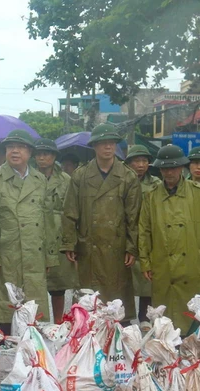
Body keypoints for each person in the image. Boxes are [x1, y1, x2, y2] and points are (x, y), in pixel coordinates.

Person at [0, 130, 57, 332]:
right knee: (5, 309)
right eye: (10, 147)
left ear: (29, 152)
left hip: (33, 255)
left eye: (20, 147)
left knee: (33, 311)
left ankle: (31, 358)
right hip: (6, 255)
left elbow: (47, 219)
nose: (15, 151)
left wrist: (49, 256)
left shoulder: (39, 180)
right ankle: (4, 355)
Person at [62, 123, 142, 322]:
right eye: (103, 143)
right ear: (94, 146)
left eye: (112, 143)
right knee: (90, 303)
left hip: (117, 247)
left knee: (117, 304)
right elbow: (70, 211)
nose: (108, 147)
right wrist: (69, 243)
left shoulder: (128, 176)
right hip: (88, 246)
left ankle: (117, 343)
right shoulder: (80, 175)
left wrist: (132, 248)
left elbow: (134, 217)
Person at [139, 145, 200, 332]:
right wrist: (145, 263)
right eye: (165, 168)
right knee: (164, 319)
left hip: (191, 265)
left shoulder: (198, 193)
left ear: (182, 167)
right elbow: (144, 231)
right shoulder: (151, 197)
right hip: (162, 265)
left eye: (173, 167)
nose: (169, 172)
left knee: (190, 317)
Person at [34, 138, 79, 322]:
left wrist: (70, 242)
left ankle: (59, 322)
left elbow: (72, 212)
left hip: (59, 235)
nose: (43, 158)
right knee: (34, 283)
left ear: (54, 157)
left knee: (58, 285)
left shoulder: (66, 180)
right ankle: (35, 323)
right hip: (35, 234)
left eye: (47, 154)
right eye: (39, 154)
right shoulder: (29, 177)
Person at [125, 144, 161, 329]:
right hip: (125, 233)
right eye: (137, 161)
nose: (141, 164)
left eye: (144, 161)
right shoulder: (122, 180)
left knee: (147, 277)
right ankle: (124, 316)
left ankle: (144, 316)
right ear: (129, 163)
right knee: (125, 278)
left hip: (147, 234)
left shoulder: (156, 183)